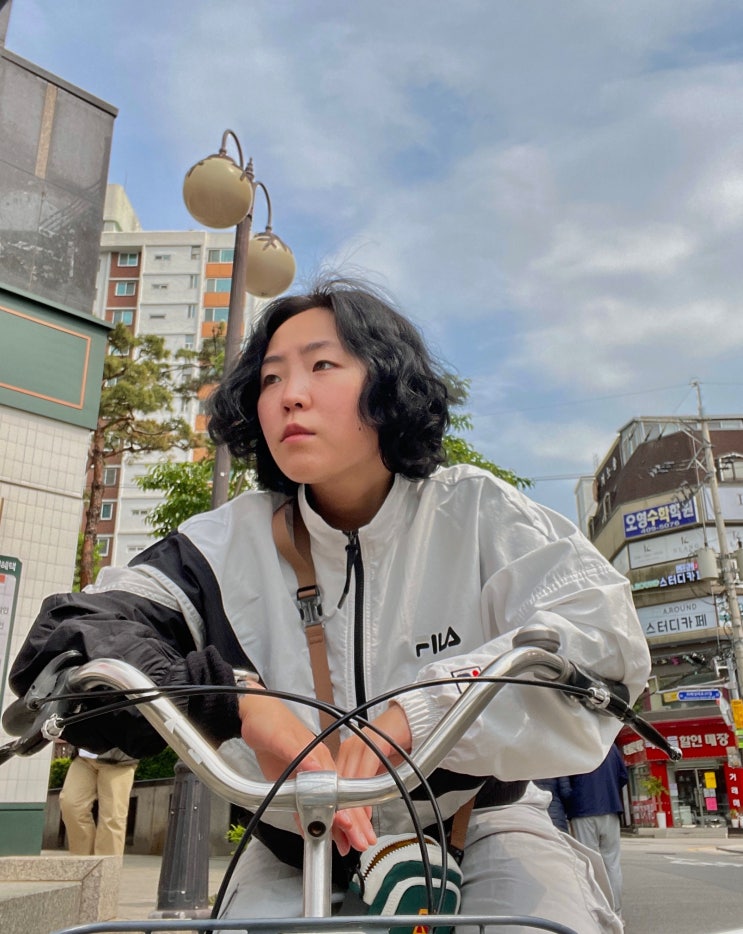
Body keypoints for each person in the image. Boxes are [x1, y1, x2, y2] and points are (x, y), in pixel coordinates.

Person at [10, 277, 650, 933]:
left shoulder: (479, 513)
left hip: (482, 823)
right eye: (270, 378)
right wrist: (235, 701)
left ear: (388, 384)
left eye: (322, 366)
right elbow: (72, 637)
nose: (290, 394)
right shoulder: (219, 545)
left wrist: (421, 711)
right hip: (293, 846)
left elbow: (601, 637)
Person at [567, 745, 628, 916]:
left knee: (589, 864)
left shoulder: (574, 743)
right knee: (612, 864)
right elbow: (623, 776)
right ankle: (616, 913)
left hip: (582, 809)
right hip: (611, 807)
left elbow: (565, 782)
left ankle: (597, 914)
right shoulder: (611, 746)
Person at [59, 747, 138, 855]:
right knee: (71, 805)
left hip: (119, 759)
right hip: (83, 757)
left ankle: (107, 864)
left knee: (113, 816)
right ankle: (83, 861)